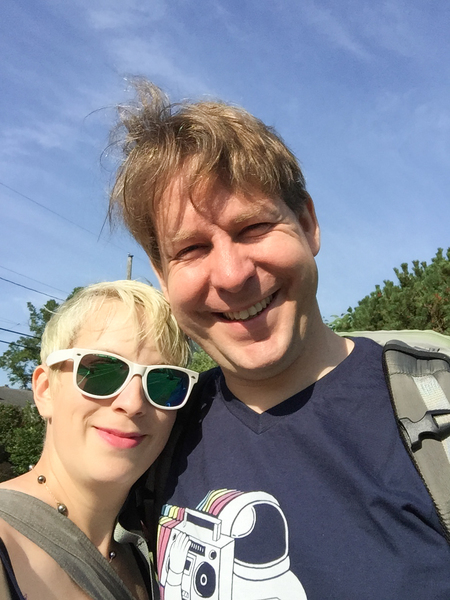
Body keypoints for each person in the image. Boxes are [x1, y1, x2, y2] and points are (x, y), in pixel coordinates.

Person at [109, 81, 450, 599]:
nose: (231, 275)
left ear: (308, 224)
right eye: (192, 249)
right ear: (161, 274)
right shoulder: (157, 431)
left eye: (253, 228)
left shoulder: (434, 414)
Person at [0, 280, 199, 600]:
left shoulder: (146, 557)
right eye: (103, 371)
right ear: (45, 390)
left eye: (163, 382)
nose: (133, 403)